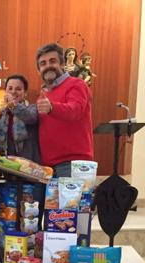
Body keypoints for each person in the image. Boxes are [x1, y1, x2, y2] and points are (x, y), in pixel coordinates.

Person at [35, 43, 93, 177]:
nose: (48, 66)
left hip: (73, 164)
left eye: (52, 61)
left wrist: (52, 108)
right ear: (39, 70)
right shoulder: (44, 93)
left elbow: (75, 110)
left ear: (62, 64)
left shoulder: (76, 84)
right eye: (43, 63)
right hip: (49, 166)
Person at [0, 74, 40, 162]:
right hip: (6, 162)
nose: (13, 92)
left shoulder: (32, 108)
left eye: (18, 89)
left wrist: (13, 105)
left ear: (25, 93)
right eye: (10, 88)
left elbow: (30, 118)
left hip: (27, 163)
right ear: (5, 92)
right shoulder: (3, 113)